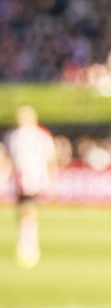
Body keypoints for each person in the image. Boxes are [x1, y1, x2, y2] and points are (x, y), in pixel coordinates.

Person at [5, 105, 57, 268]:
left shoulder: (39, 136)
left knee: (28, 209)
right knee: (24, 211)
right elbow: (10, 158)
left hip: (33, 178)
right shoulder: (14, 136)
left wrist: (51, 176)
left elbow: (50, 158)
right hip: (21, 178)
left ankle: (28, 244)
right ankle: (27, 240)